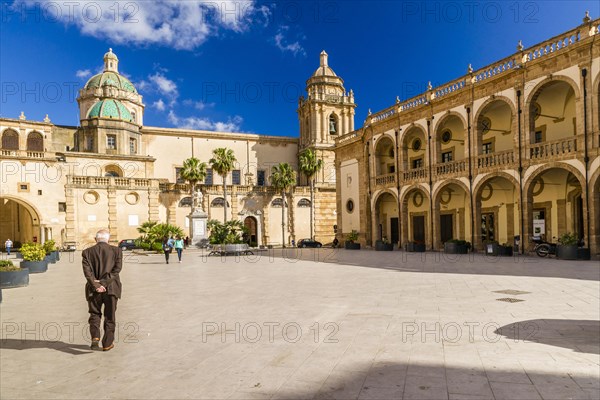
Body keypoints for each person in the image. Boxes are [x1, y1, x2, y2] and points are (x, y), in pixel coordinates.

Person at [82, 229, 122, 352]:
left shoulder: (87, 252)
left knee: (94, 313)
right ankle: (107, 343)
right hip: (111, 289)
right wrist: (104, 283)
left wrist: (96, 284)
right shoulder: (117, 251)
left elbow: (87, 272)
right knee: (110, 316)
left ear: (95, 239)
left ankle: (95, 336)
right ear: (108, 239)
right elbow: (117, 270)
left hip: (93, 289)